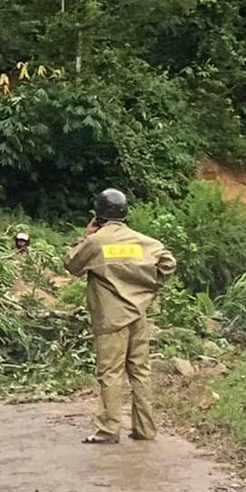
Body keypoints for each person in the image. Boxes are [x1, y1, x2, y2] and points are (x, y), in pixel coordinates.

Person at [64, 188, 176, 445]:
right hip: (138, 316)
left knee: (111, 373)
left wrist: (84, 236)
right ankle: (145, 429)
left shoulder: (96, 242)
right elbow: (168, 263)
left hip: (110, 318)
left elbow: (71, 265)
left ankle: (107, 430)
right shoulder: (146, 242)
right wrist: (149, 285)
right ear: (125, 213)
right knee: (140, 372)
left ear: (98, 215)